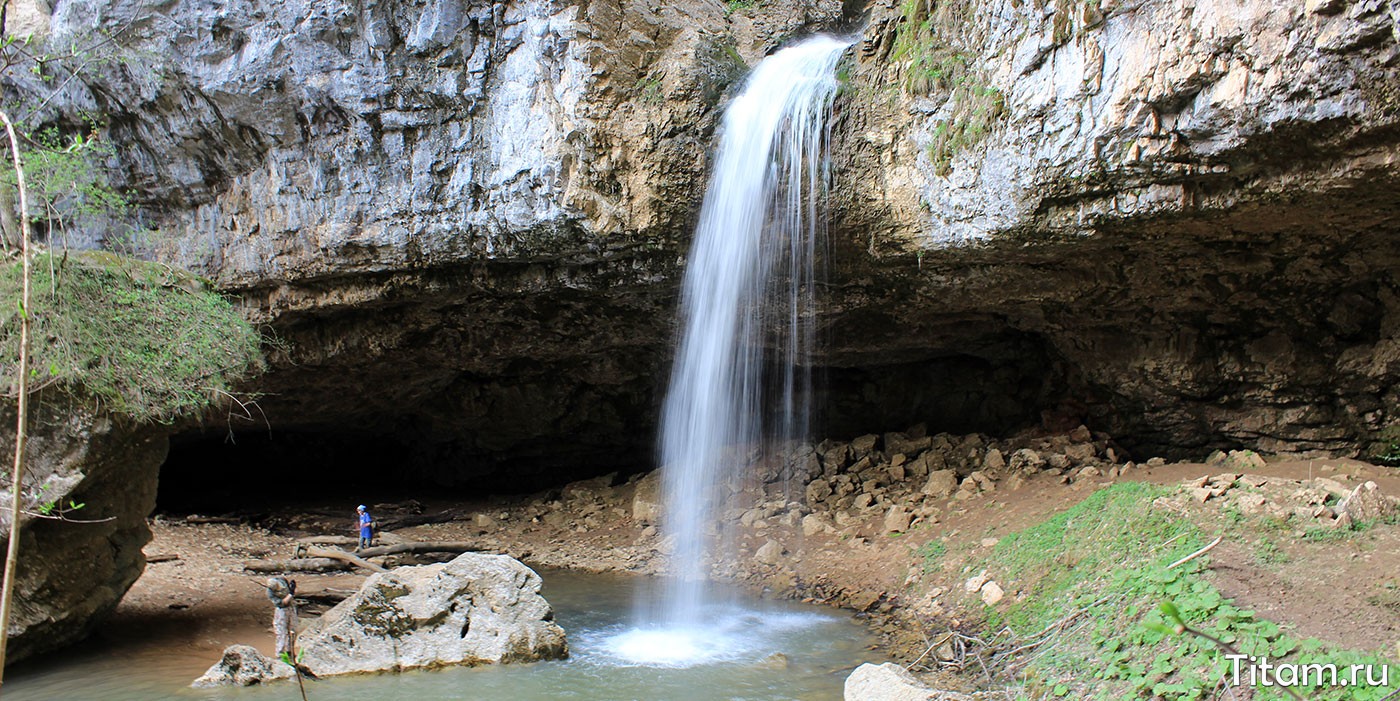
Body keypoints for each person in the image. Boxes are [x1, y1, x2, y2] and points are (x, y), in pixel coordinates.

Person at [265, 576, 297, 658]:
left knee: (292, 630)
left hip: (291, 608)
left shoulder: (282, 580)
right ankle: (280, 653)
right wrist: (291, 594)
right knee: (281, 632)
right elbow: (282, 603)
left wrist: (291, 589)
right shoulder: (271, 593)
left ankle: (290, 651)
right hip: (281, 611)